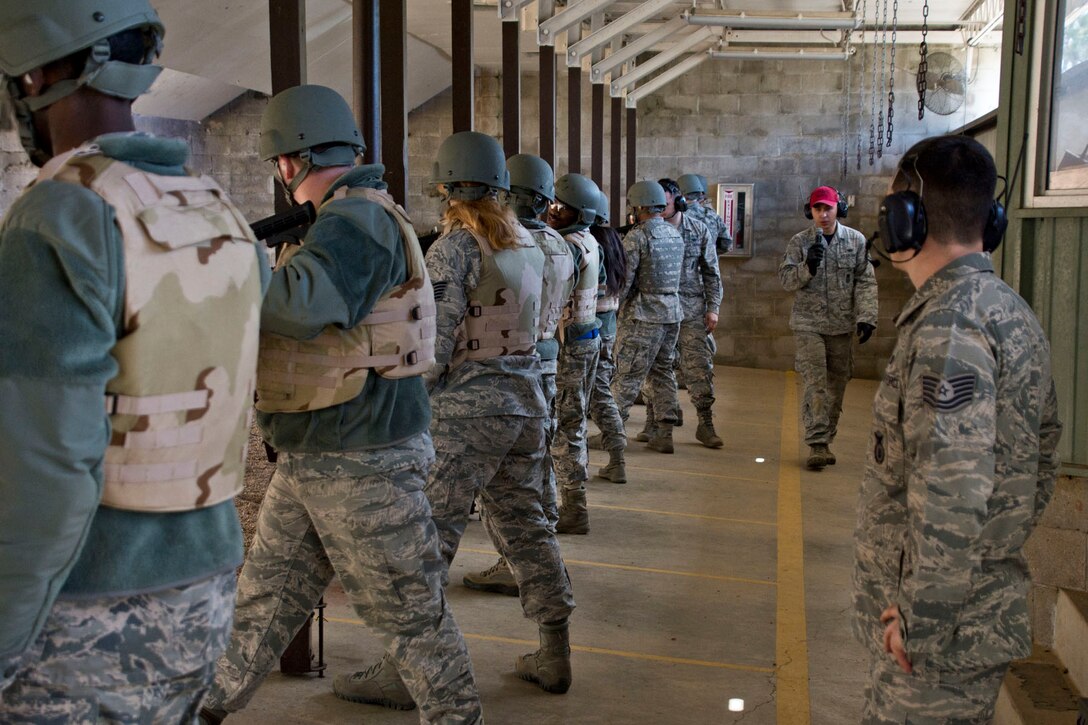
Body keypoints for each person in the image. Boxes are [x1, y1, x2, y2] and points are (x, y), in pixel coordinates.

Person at [0, 0, 268, 720]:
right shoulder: (219, 210)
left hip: (88, 619)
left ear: (36, 77)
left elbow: (46, 470)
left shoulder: (57, 217)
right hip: (206, 593)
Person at [200, 85, 481, 724]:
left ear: (291, 158)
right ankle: (203, 709)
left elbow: (300, 307)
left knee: (413, 624)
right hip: (316, 455)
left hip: (364, 463)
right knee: (260, 606)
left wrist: (229, 257)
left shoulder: (358, 220)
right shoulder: (343, 217)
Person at [853, 134, 1062, 724]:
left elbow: (954, 490)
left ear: (905, 220)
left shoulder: (950, 326)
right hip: (967, 618)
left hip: (934, 643)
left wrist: (924, 618)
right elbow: (1041, 459)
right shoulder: (1005, 309)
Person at [407, 131, 577, 694]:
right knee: (527, 527)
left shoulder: (454, 248)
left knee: (430, 535)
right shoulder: (530, 241)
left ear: (447, 187)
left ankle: (410, 669)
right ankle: (554, 651)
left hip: (468, 410)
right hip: (527, 401)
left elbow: (434, 344)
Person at [463, 152, 575, 597]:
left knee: (503, 481)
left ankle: (515, 560)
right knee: (537, 460)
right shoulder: (564, 245)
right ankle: (538, 550)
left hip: (506, 362)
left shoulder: (508, 241)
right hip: (547, 354)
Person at [778, 185, 878, 469]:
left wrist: (867, 316)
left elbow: (866, 281)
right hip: (808, 325)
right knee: (816, 383)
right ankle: (818, 443)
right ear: (809, 211)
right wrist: (807, 267)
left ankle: (826, 436)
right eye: (817, 209)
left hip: (841, 325)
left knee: (837, 384)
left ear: (839, 209)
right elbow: (786, 281)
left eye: (828, 208)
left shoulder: (856, 241)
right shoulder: (800, 242)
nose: (822, 214)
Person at [546, 173, 604, 535]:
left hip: (569, 344)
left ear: (579, 214)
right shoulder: (588, 241)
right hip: (584, 338)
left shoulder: (567, 247)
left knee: (564, 427)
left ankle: (573, 504)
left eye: (561, 208)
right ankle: (572, 500)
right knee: (574, 421)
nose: (553, 212)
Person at [649, 178, 725, 449]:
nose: (659, 209)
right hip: (658, 311)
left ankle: (705, 424)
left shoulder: (698, 229)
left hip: (691, 310)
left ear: (677, 201)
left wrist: (713, 308)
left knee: (698, 367)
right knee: (658, 368)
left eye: (664, 203)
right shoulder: (648, 231)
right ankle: (658, 426)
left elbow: (711, 272)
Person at [611, 180, 685, 454]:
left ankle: (613, 433)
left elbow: (626, 281)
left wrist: (614, 305)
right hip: (672, 313)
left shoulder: (637, 237)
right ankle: (664, 432)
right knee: (663, 372)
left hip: (642, 316)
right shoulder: (674, 234)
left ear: (639, 206)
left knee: (627, 374)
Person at [587, 190, 629, 483]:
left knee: (590, 396)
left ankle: (614, 458)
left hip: (591, 329)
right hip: (608, 327)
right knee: (600, 392)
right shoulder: (613, 240)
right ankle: (617, 457)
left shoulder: (590, 244)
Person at [677, 173, 733, 254]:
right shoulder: (712, 215)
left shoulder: (677, 216)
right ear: (700, 194)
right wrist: (710, 254)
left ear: (681, 195)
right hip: (709, 265)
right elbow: (727, 245)